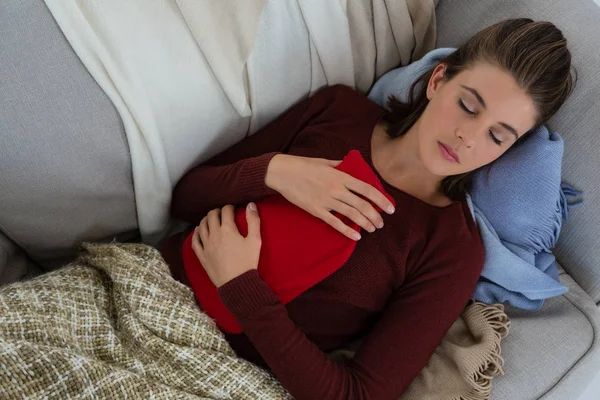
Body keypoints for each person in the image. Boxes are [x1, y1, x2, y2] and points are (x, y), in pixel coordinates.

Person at [160, 18, 574, 400]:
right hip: (145, 283)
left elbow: (359, 396)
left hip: (219, 373)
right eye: (467, 105)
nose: (468, 137)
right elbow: (184, 199)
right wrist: (274, 171)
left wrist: (243, 289)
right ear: (437, 80)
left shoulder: (452, 250)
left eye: (497, 137)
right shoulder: (338, 111)